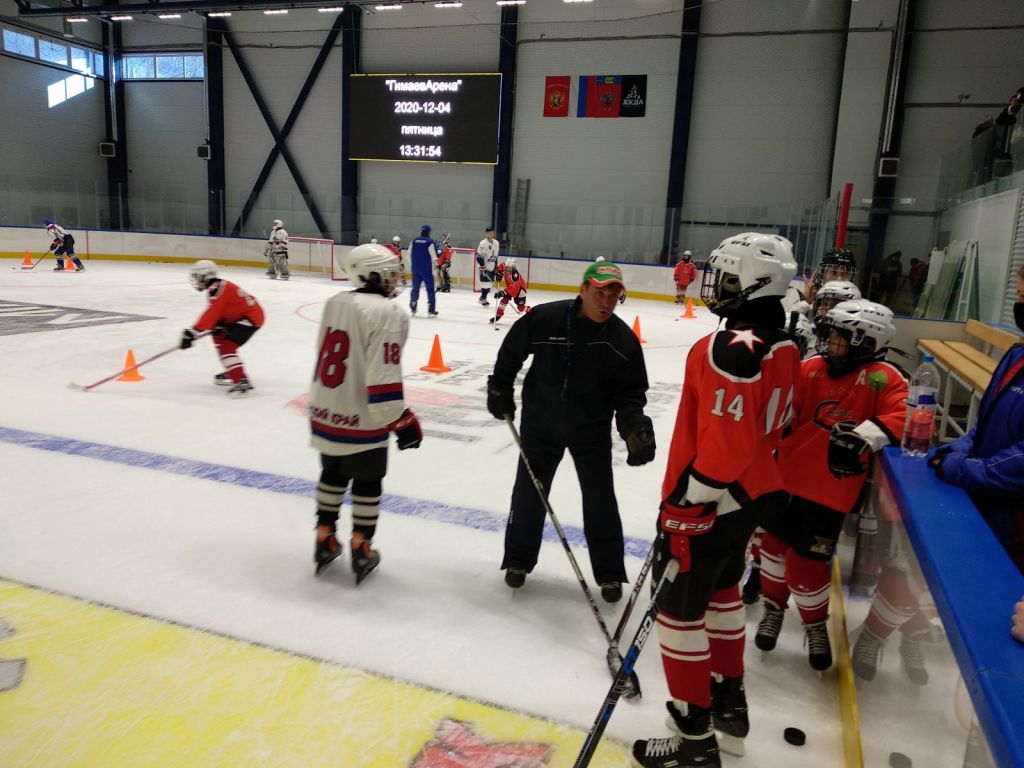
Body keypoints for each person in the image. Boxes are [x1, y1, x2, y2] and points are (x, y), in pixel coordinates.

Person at [633, 232, 800, 768]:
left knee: (679, 615)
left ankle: (694, 740)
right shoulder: (785, 341)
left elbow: (725, 445)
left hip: (712, 502)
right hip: (752, 497)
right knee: (724, 596)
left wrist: (687, 506)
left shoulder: (727, 347)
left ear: (756, 281)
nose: (717, 286)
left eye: (728, 277)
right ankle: (730, 706)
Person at [486, 261, 655, 602]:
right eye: (599, 292)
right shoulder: (546, 319)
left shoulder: (622, 340)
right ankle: (518, 560)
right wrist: (500, 387)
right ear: (583, 290)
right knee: (529, 494)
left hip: (590, 430)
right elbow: (512, 350)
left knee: (600, 500)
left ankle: (609, 573)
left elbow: (630, 394)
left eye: (614, 294)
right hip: (541, 424)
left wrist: (634, 426)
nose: (606, 301)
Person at [755, 300, 907, 671]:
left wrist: (864, 436)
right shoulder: (811, 369)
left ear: (867, 342)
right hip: (785, 481)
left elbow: (910, 414)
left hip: (831, 494)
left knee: (808, 566)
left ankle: (814, 625)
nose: (830, 343)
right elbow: (778, 406)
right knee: (772, 551)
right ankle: (774, 608)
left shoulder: (882, 377)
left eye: (840, 337)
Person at [309, 243, 422, 584]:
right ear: (372, 273)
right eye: (389, 270)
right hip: (363, 416)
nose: (394, 276)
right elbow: (382, 375)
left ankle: (324, 536)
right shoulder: (388, 312)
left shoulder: (335, 301)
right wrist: (401, 420)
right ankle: (361, 546)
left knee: (333, 474)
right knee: (368, 481)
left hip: (328, 408)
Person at [928, 263, 1024, 571]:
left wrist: (963, 468)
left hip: (1014, 520)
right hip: (988, 504)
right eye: (1019, 296)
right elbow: (987, 421)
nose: (1020, 306)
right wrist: (957, 449)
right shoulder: (1016, 356)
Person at [180, 260, 264, 396]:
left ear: (205, 275)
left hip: (251, 318)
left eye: (197, 277)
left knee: (227, 347)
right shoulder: (215, 288)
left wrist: (192, 332)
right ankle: (233, 369)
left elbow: (212, 314)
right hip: (238, 317)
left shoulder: (218, 290)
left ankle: (242, 382)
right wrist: (217, 325)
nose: (195, 280)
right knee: (218, 336)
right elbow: (217, 313)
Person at [408, 225, 439, 317]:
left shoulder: (413, 241)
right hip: (426, 270)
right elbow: (434, 256)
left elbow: (408, 255)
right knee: (430, 289)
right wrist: (436, 267)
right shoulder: (429, 242)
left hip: (415, 270)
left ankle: (413, 304)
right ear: (429, 232)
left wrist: (413, 266)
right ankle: (431, 308)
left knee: (415, 288)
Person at [489, 258, 529, 325]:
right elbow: (501, 265)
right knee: (504, 300)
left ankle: (530, 310)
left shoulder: (515, 276)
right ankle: (498, 315)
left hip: (519, 291)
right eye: (507, 268)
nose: (508, 269)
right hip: (510, 289)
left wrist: (502, 292)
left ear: (514, 267)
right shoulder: (505, 266)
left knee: (520, 308)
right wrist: (499, 273)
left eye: (510, 268)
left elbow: (513, 287)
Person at [476, 226, 501, 306]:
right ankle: (483, 298)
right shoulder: (483, 243)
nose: (491, 235)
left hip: (492, 266)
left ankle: (482, 297)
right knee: (485, 284)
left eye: (492, 233)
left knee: (490, 284)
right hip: (484, 267)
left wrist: (496, 266)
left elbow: (496, 256)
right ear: (486, 234)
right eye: (489, 233)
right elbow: (479, 256)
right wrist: (483, 266)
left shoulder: (496, 243)